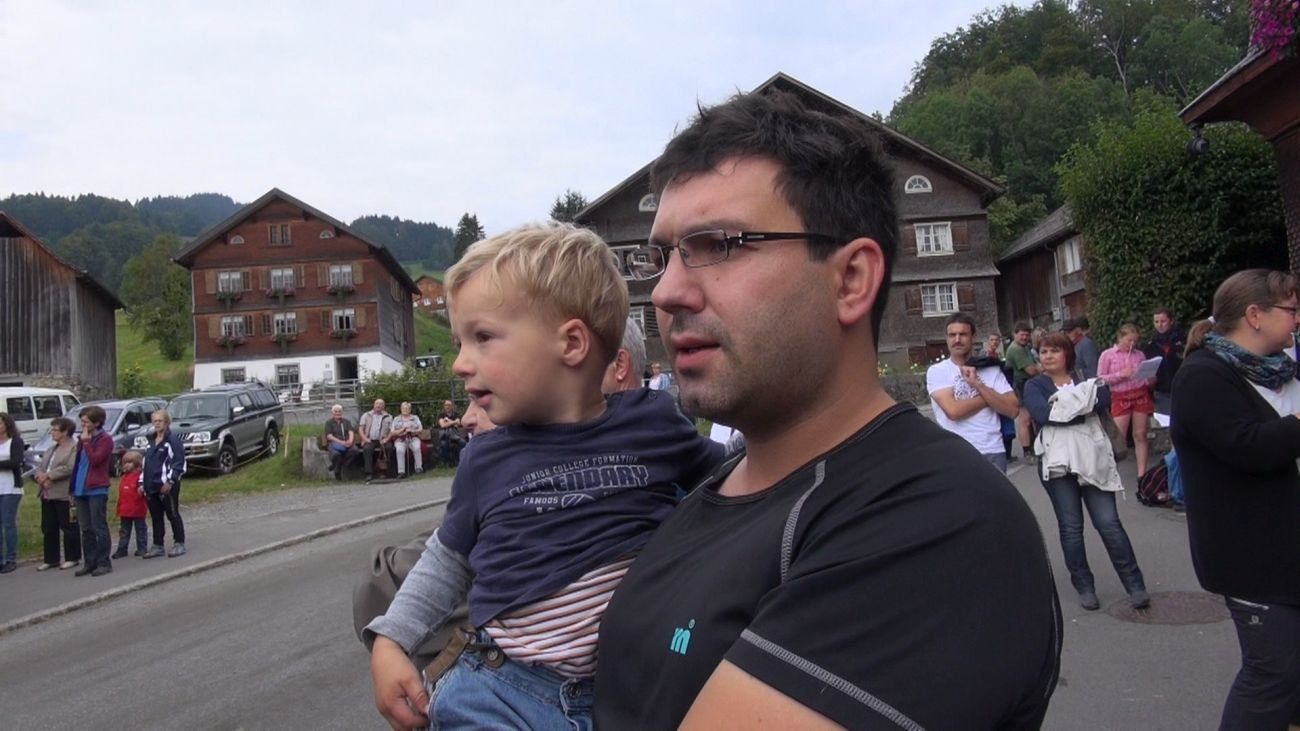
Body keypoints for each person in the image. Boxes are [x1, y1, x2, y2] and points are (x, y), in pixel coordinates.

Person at [594, 89, 1060, 729]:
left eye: (719, 243)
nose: (667, 291)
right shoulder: (710, 486)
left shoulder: (937, 522)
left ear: (850, 280)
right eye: (662, 257)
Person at [366, 222, 723, 730]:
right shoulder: (485, 459)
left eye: (483, 338)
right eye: (461, 342)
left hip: (629, 694)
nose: (461, 364)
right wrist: (392, 639)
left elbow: (739, 476)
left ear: (571, 343)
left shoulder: (652, 424)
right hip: (501, 690)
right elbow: (446, 559)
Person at [353, 315, 648, 673]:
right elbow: (438, 561)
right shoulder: (496, 479)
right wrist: (393, 637)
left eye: (491, 399)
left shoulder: (665, 461)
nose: (468, 418)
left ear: (613, 365)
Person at [1171, 269, 1300, 729]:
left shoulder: (1279, 370)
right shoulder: (1203, 376)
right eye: (1291, 310)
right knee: (1274, 674)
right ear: (1255, 315)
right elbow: (1249, 446)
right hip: (1253, 558)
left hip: (1287, 548)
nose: (1298, 320)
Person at [1024, 332, 1149, 612]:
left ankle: (1134, 584)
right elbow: (1043, 415)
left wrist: (1063, 406)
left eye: (1054, 351)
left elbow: (1103, 399)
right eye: (1043, 352)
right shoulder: (1034, 385)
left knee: (1109, 523)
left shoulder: (1085, 377)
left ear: (1067, 354)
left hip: (1094, 459)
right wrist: (1081, 405)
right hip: (1057, 464)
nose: (1048, 356)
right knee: (1071, 528)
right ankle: (1084, 587)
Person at [926, 313, 1020, 471]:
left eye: (963, 334)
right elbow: (953, 411)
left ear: (973, 337)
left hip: (992, 450)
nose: (957, 339)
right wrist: (990, 398)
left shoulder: (990, 369)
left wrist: (978, 384)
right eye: (952, 335)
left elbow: (1013, 410)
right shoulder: (938, 371)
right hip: (956, 453)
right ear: (947, 338)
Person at [1099, 323, 1156, 477]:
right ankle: (1112, 474)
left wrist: (1149, 379)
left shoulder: (1139, 355)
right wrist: (1120, 375)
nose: (1132, 344)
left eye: (1135, 341)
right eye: (1129, 340)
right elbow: (1100, 379)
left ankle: (1142, 474)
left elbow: (1144, 376)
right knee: (1119, 438)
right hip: (1120, 396)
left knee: (1140, 434)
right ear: (1120, 338)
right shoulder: (1108, 355)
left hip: (1140, 394)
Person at [33, 416, 81, 571]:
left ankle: (72, 557)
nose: (52, 433)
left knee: (68, 526)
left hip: (64, 493)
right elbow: (40, 466)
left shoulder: (74, 447)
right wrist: (39, 476)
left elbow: (69, 467)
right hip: (47, 493)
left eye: (55, 429)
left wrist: (49, 476)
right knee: (48, 526)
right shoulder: (51, 449)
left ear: (65, 431)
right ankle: (51, 558)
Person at [70, 405, 113, 576]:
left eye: (86, 422)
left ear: (97, 423)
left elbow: (95, 460)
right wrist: (72, 488)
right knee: (86, 528)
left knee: (98, 526)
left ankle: (103, 562)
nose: (83, 425)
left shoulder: (105, 439)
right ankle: (90, 561)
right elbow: (78, 464)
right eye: (82, 421)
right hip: (80, 487)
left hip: (96, 488)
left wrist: (87, 442)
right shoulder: (82, 439)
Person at [142, 410, 187, 558]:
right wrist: (142, 482)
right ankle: (158, 544)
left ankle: (179, 542)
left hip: (167, 486)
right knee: (156, 516)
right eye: (155, 421)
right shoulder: (150, 441)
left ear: (167, 422)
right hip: (151, 485)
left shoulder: (172, 441)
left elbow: (179, 463)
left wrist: (170, 481)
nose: (157, 424)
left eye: (160, 421)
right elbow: (146, 464)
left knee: (172, 514)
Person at [1006, 321, 1042, 462]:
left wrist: (1038, 367)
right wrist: (1042, 367)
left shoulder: (1024, 347)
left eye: (1027, 335)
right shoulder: (1016, 349)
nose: (1025, 338)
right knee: (1025, 419)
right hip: (1020, 385)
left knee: (1029, 418)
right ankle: (1027, 452)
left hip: (1026, 384)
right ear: (1014, 334)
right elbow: (1032, 370)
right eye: (1022, 335)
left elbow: (1036, 365)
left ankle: (1032, 448)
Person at [1143, 308, 1187, 415]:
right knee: (1166, 421)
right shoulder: (1151, 345)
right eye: (1156, 322)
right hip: (1162, 392)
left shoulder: (1184, 340)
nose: (1159, 325)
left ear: (1171, 321)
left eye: (1163, 321)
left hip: (1184, 389)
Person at [0, 412, 27, 574]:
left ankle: (11, 558)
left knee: (8, 523)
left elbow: (15, 462)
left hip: (10, 488)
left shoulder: (15, 441)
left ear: (7, 424)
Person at [110, 450, 148, 559]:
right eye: (125, 462)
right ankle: (122, 548)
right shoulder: (124, 477)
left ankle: (142, 547)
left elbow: (142, 491)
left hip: (137, 509)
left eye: (129, 462)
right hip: (125, 510)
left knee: (140, 529)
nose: (126, 465)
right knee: (124, 531)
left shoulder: (139, 477)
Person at [358, 399, 393, 483]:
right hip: (370, 439)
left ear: (383, 406)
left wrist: (386, 439)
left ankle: (383, 472)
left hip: (383, 439)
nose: (378, 405)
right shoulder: (366, 415)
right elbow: (361, 428)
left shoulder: (389, 416)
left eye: (381, 404)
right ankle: (368, 473)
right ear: (373, 405)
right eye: (377, 404)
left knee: (388, 447)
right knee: (367, 449)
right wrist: (365, 439)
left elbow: (392, 430)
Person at [388, 402, 423, 478]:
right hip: (400, 439)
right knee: (399, 450)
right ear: (401, 409)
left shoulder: (415, 418)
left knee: (417, 448)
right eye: (403, 408)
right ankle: (401, 472)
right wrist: (402, 430)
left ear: (410, 410)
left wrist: (412, 430)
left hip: (413, 438)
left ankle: (418, 469)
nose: (405, 410)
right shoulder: (396, 419)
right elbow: (392, 432)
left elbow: (420, 429)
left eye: (407, 408)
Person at [324, 404, 357, 480]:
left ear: (342, 412)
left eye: (339, 411)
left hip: (346, 443)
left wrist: (350, 441)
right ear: (332, 413)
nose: (338, 413)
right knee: (336, 455)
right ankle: (337, 471)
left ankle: (337, 465)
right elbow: (329, 436)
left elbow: (351, 432)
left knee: (355, 450)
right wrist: (342, 442)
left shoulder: (346, 422)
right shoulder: (329, 423)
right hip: (334, 443)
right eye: (336, 411)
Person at [436, 400, 466, 467]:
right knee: (444, 444)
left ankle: (461, 462)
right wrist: (454, 422)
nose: (448, 407)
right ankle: (446, 464)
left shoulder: (456, 414)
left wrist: (447, 421)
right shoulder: (441, 415)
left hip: (455, 435)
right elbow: (443, 425)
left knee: (463, 442)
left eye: (449, 405)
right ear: (444, 406)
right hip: (444, 436)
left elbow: (458, 424)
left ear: (452, 406)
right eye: (446, 405)